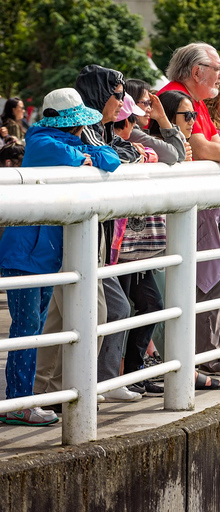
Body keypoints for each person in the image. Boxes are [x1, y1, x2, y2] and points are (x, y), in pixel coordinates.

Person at [0, 88, 120, 425]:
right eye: (79, 125)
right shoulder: (42, 142)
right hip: (25, 256)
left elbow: (110, 158)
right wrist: (87, 155)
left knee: (34, 329)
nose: (83, 130)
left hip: (41, 256)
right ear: (71, 125)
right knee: (26, 330)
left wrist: (88, 155)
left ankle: (24, 401)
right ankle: (18, 404)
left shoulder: (61, 141)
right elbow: (84, 156)